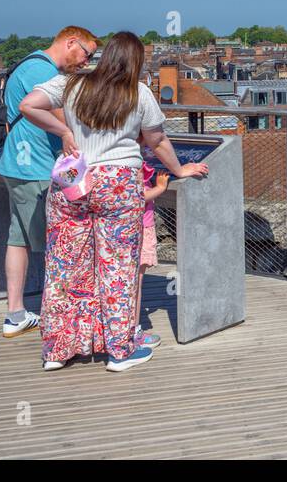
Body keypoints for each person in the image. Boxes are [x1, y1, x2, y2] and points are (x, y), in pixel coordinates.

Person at [19, 31, 207, 372]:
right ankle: (119, 351)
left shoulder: (73, 85)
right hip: (118, 184)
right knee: (117, 268)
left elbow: (28, 105)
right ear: (135, 62)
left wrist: (64, 132)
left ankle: (58, 349)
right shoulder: (138, 93)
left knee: (64, 267)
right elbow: (157, 139)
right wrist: (179, 169)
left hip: (73, 182)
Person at [0, 26, 99, 338]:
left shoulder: (28, 63)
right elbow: (62, 115)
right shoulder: (41, 70)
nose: (86, 62)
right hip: (37, 168)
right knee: (56, 243)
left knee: (19, 239)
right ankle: (61, 316)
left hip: (17, 165)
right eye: (86, 54)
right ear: (70, 42)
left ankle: (16, 313)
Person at [133, 143, 171, 349]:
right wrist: (159, 188)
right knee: (135, 281)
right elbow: (136, 197)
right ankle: (133, 331)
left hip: (122, 226)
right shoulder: (134, 161)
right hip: (138, 227)